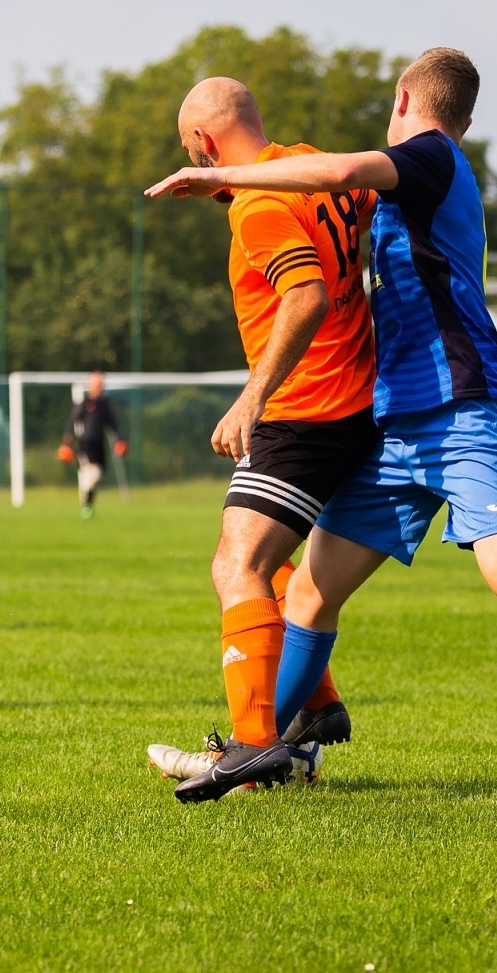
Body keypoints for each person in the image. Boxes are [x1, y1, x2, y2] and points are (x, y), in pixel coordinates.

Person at [146, 50, 497, 808]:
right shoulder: (400, 180)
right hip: (396, 428)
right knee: (306, 597)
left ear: (405, 99)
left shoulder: (430, 157)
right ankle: (257, 746)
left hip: (464, 415)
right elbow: (330, 194)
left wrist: (223, 176)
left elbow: (332, 176)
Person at [144, 78, 381, 803]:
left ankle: (255, 742)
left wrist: (253, 396)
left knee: (236, 562)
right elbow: (370, 197)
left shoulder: (257, 208)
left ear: (204, 146)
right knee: (274, 562)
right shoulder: (308, 165)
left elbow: (305, 294)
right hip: (357, 402)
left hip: (304, 412)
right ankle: (316, 702)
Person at [58, 371, 127, 518]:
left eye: (101, 383)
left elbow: (113, 424)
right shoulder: (84, 403)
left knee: (96, 476)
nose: (99, 386)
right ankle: (86, 505)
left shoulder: (105, 405)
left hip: (99, 445)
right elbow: (72, 421)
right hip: (85, 445)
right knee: (90, 474)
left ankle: (87, 504)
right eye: (97, 383)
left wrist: (120, 439)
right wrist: (67, 443)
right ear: (91, 385)